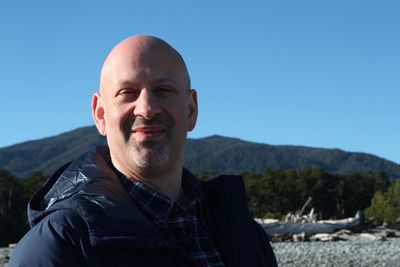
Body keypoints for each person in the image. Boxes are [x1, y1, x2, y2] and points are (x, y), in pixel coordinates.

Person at [9, 35, 277, 267]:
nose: (147, 108)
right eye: (127, 92)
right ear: (100, 114)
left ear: (191, 110)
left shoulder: (243, 235)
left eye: (164, 90)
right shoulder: (61, 245)